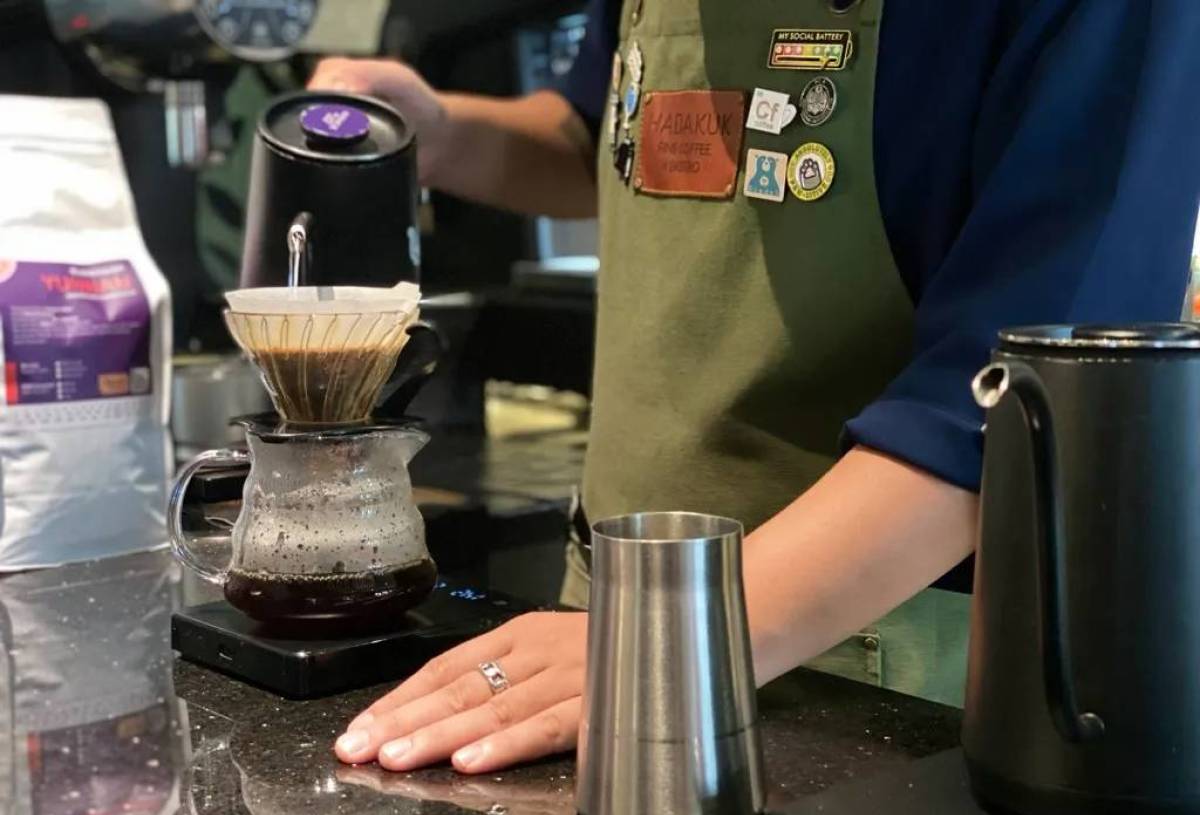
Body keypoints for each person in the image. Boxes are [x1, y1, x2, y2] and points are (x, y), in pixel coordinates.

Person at [317, 0, 1200, 774]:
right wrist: (445, 135)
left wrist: (677, 636)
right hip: (607, 637)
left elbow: (1020, 393)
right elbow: (615, 133)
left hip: (892, 684)